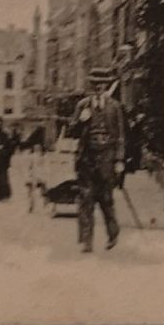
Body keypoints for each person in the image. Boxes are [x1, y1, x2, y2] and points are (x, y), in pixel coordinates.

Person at [72, 68, 125, 253]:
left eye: (101, 84)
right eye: (94, 84)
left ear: (106, 86)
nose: (98, 88)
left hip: (107, 159)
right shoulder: (82, 106)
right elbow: (73, 132)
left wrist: (119, 160)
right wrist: (81, 121)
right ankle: (87, 241)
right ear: (91, 85)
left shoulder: (115, 107)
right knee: (86, 200)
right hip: (87, 159)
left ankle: (113, 234)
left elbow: (120, 137)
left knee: (106, 200)